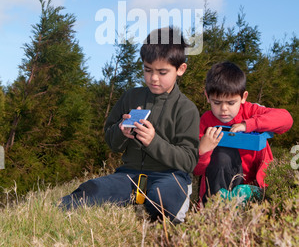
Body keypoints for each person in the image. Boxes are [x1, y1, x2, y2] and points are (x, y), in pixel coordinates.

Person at [59, 27, 200, 223]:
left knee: (162, 201)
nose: (154, 78)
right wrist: (120, 131)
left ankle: (165, 212)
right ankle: (53, 211)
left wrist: (153, 142)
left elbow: (189, 161)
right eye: (147, 69)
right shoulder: (131, 96)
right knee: (90, 191)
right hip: (130, 175)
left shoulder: (186, 109)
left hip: (169, 177)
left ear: (181, 69)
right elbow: (111, 142)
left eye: (162, 72)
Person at [193, 61, 293, 205]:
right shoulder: (207, 120)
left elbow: (286, 119)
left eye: (231, 103)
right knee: (221, 156)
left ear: (243, 97)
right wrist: (203, 150)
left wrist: (249, 124)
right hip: (218, 187)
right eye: (217, 102)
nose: (224, 109)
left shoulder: (250, 111)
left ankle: (251, 199)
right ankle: (216, 208)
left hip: (253, 186)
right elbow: (197, 170)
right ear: (207, 96)